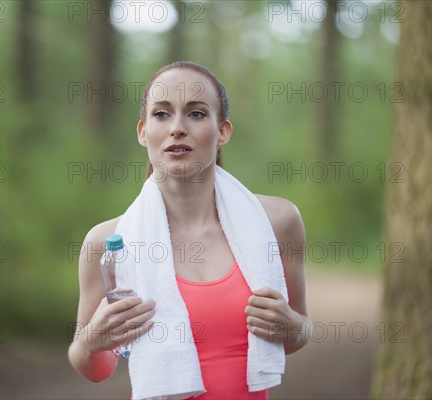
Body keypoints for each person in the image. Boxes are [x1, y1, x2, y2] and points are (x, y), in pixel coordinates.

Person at [68, 61, 309, 399]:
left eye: (196, 114)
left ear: (222, 131)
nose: (177, 127)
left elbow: (297, 333)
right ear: (142, 132)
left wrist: (294, 327)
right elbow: (94, 368)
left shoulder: (277, 221)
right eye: (162, 114)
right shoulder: (107, 244)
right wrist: (92, 342)